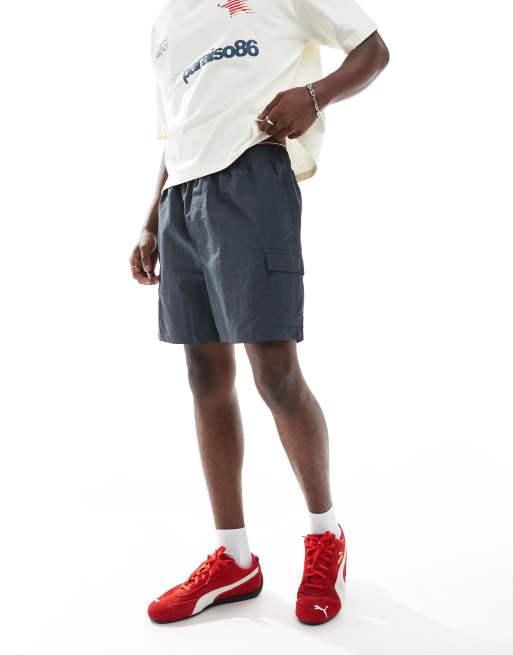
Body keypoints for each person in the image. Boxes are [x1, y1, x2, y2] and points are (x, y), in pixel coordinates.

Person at [130, 0, 389, 626]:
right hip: (182, 199)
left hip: (252, 176)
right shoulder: (166, 24)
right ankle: (234, 557)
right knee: (205, 377)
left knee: (274, 372)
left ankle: (325, 537)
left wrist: (316, 95)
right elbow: (178, 131)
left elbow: (374, 49)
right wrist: (150, 221)